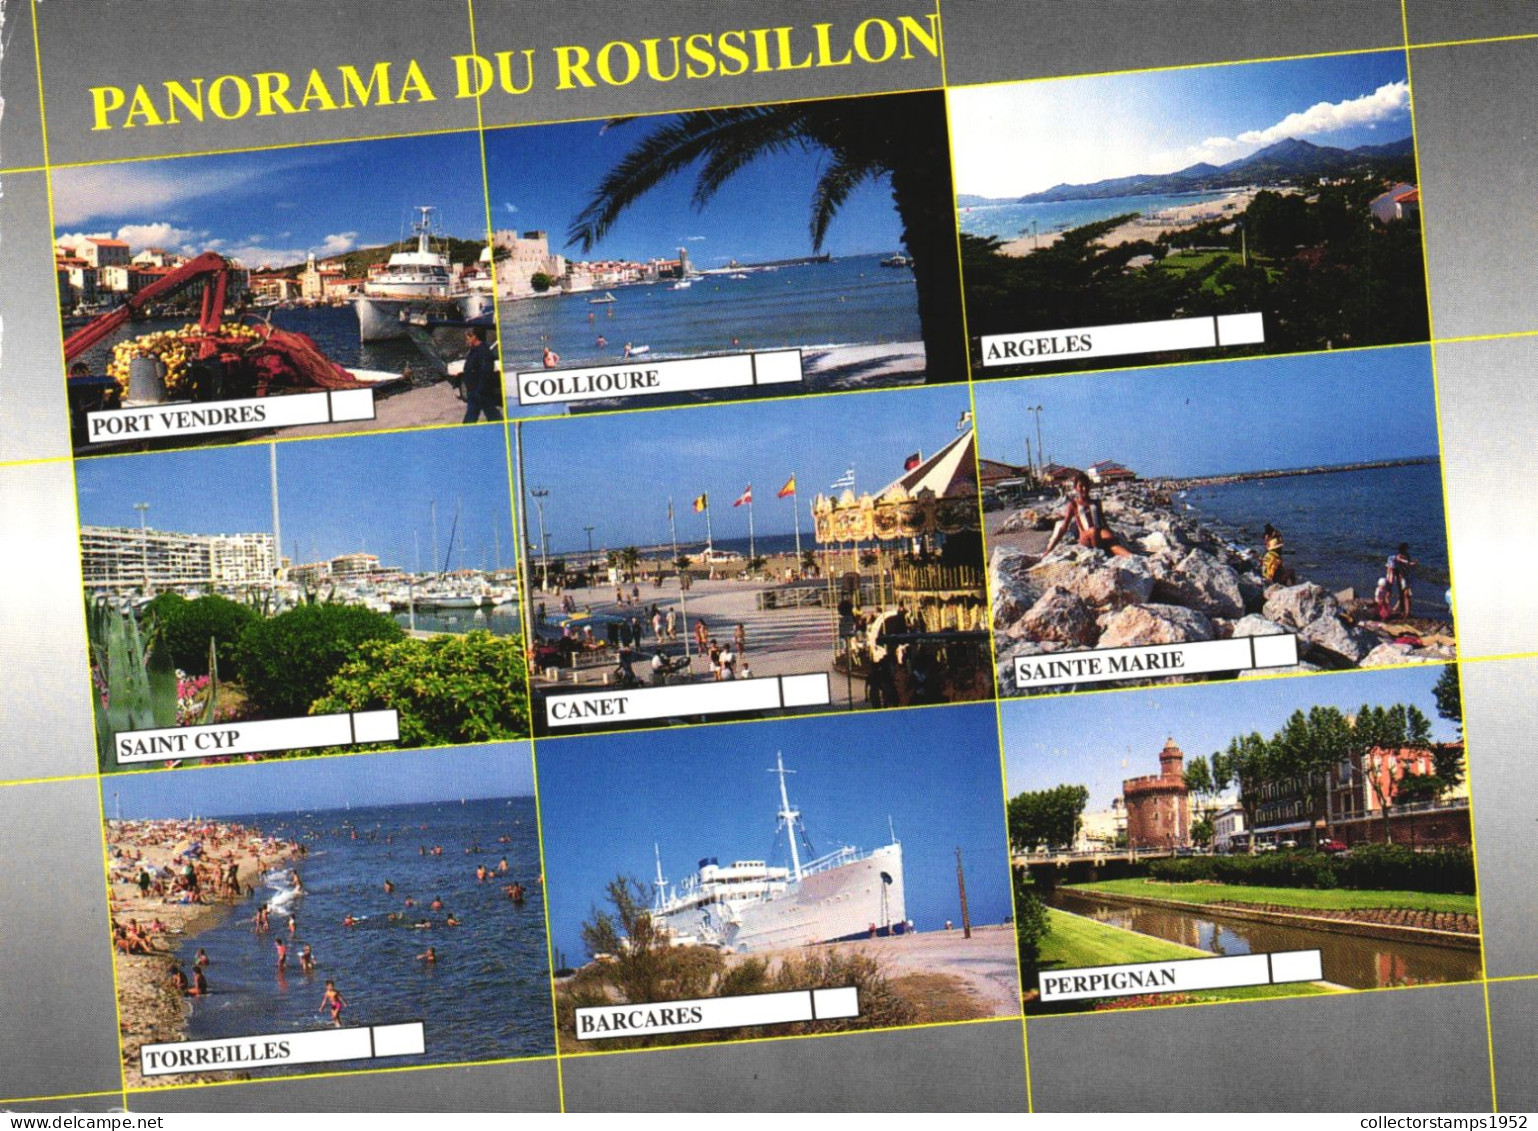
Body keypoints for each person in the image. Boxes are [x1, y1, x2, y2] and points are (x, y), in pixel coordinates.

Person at [1043, 473, 1131, 557]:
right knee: (1094, 530)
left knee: (1110, 540)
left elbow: (1103, 522)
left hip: (1099, 533)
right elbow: (1064, 527)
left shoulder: (1096, 502)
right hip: (1085, 536)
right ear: (1076, 488)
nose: (1084, 489)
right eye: (1081, 486)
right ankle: (1097, 552)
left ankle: (1130, 556)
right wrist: (1049, 548)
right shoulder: (1073, 504)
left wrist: (1110, 534)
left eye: (1086, 485)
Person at [460, 326, 503, 423]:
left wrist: (479, 390)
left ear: (474, 337)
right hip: (474, 391)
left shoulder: (483, 351)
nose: (466, 339)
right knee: (474, 416)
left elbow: (486, 372)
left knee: (491, 415)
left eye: (468, 337)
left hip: (481, 392)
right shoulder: (474, 350)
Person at [1391, 542, 1419, 617]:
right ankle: (1405, 611)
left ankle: (1406, 611)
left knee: (1407, 594)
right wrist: (1409, 563)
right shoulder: (1399, 556)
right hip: (1402, 577)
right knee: (1405, 594)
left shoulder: (1407, 555)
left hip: (1408, 576)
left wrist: (1412, 565)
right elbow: (1401, 561)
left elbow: (1408, 565)